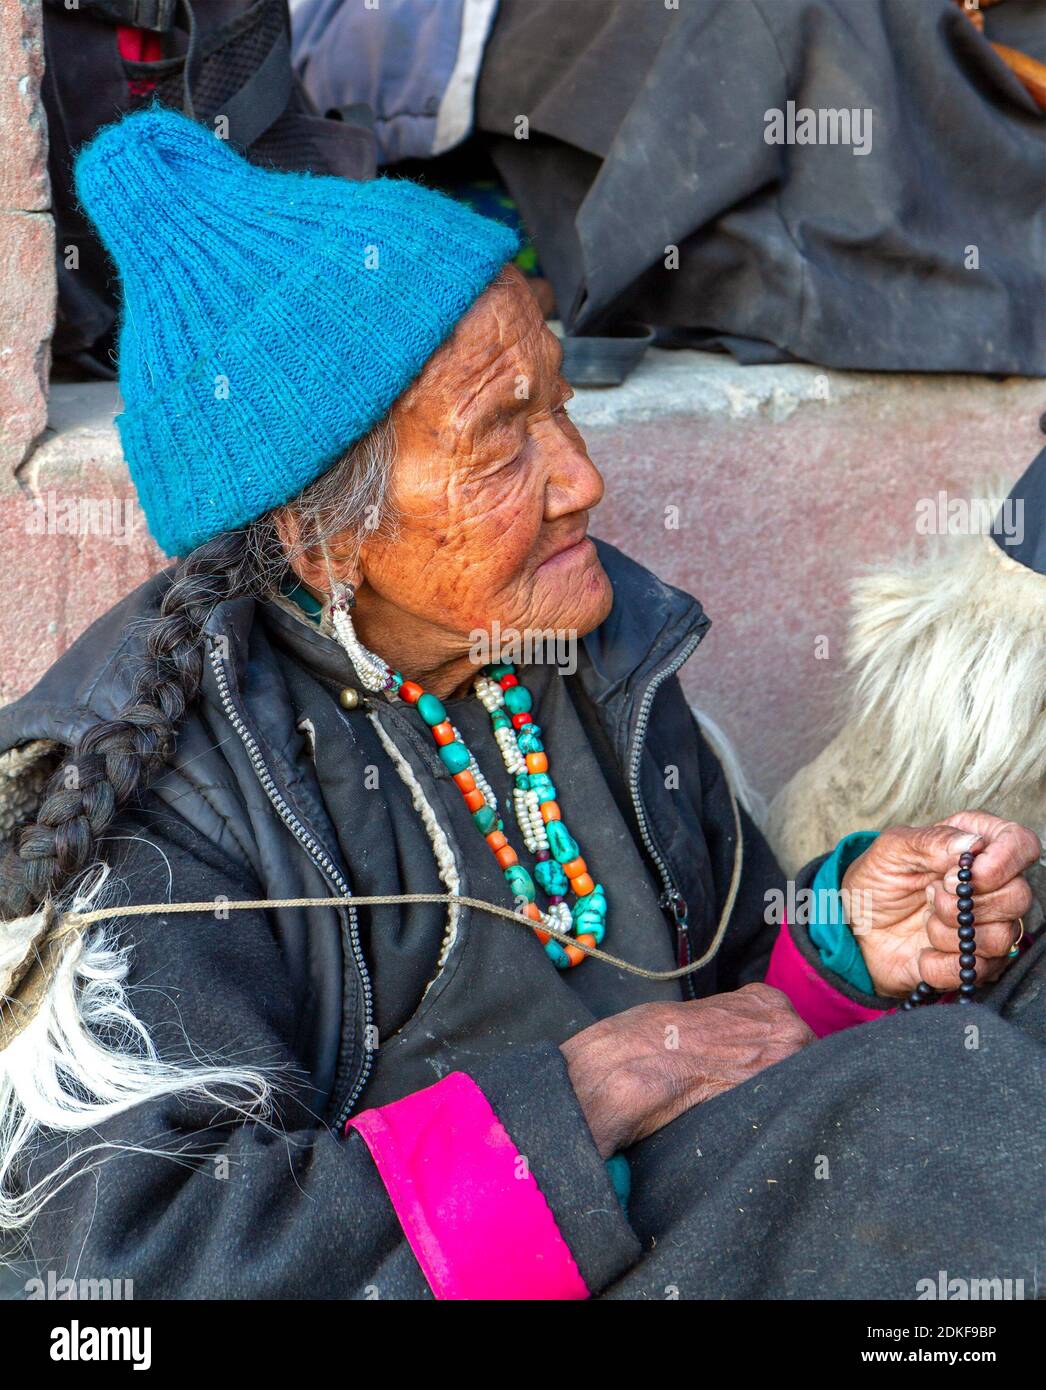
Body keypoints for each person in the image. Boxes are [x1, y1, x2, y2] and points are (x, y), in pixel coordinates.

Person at [0, 108, 1041, 1300]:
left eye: (559, 401)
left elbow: (731, 1011)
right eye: (503, 446)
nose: (582, 477)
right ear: (316, 537)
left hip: (700, 1223)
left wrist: (849, 947)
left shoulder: (580, 658)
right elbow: (143, 1266)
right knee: (924, 1109)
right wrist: (594, 1084)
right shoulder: (163, 808)